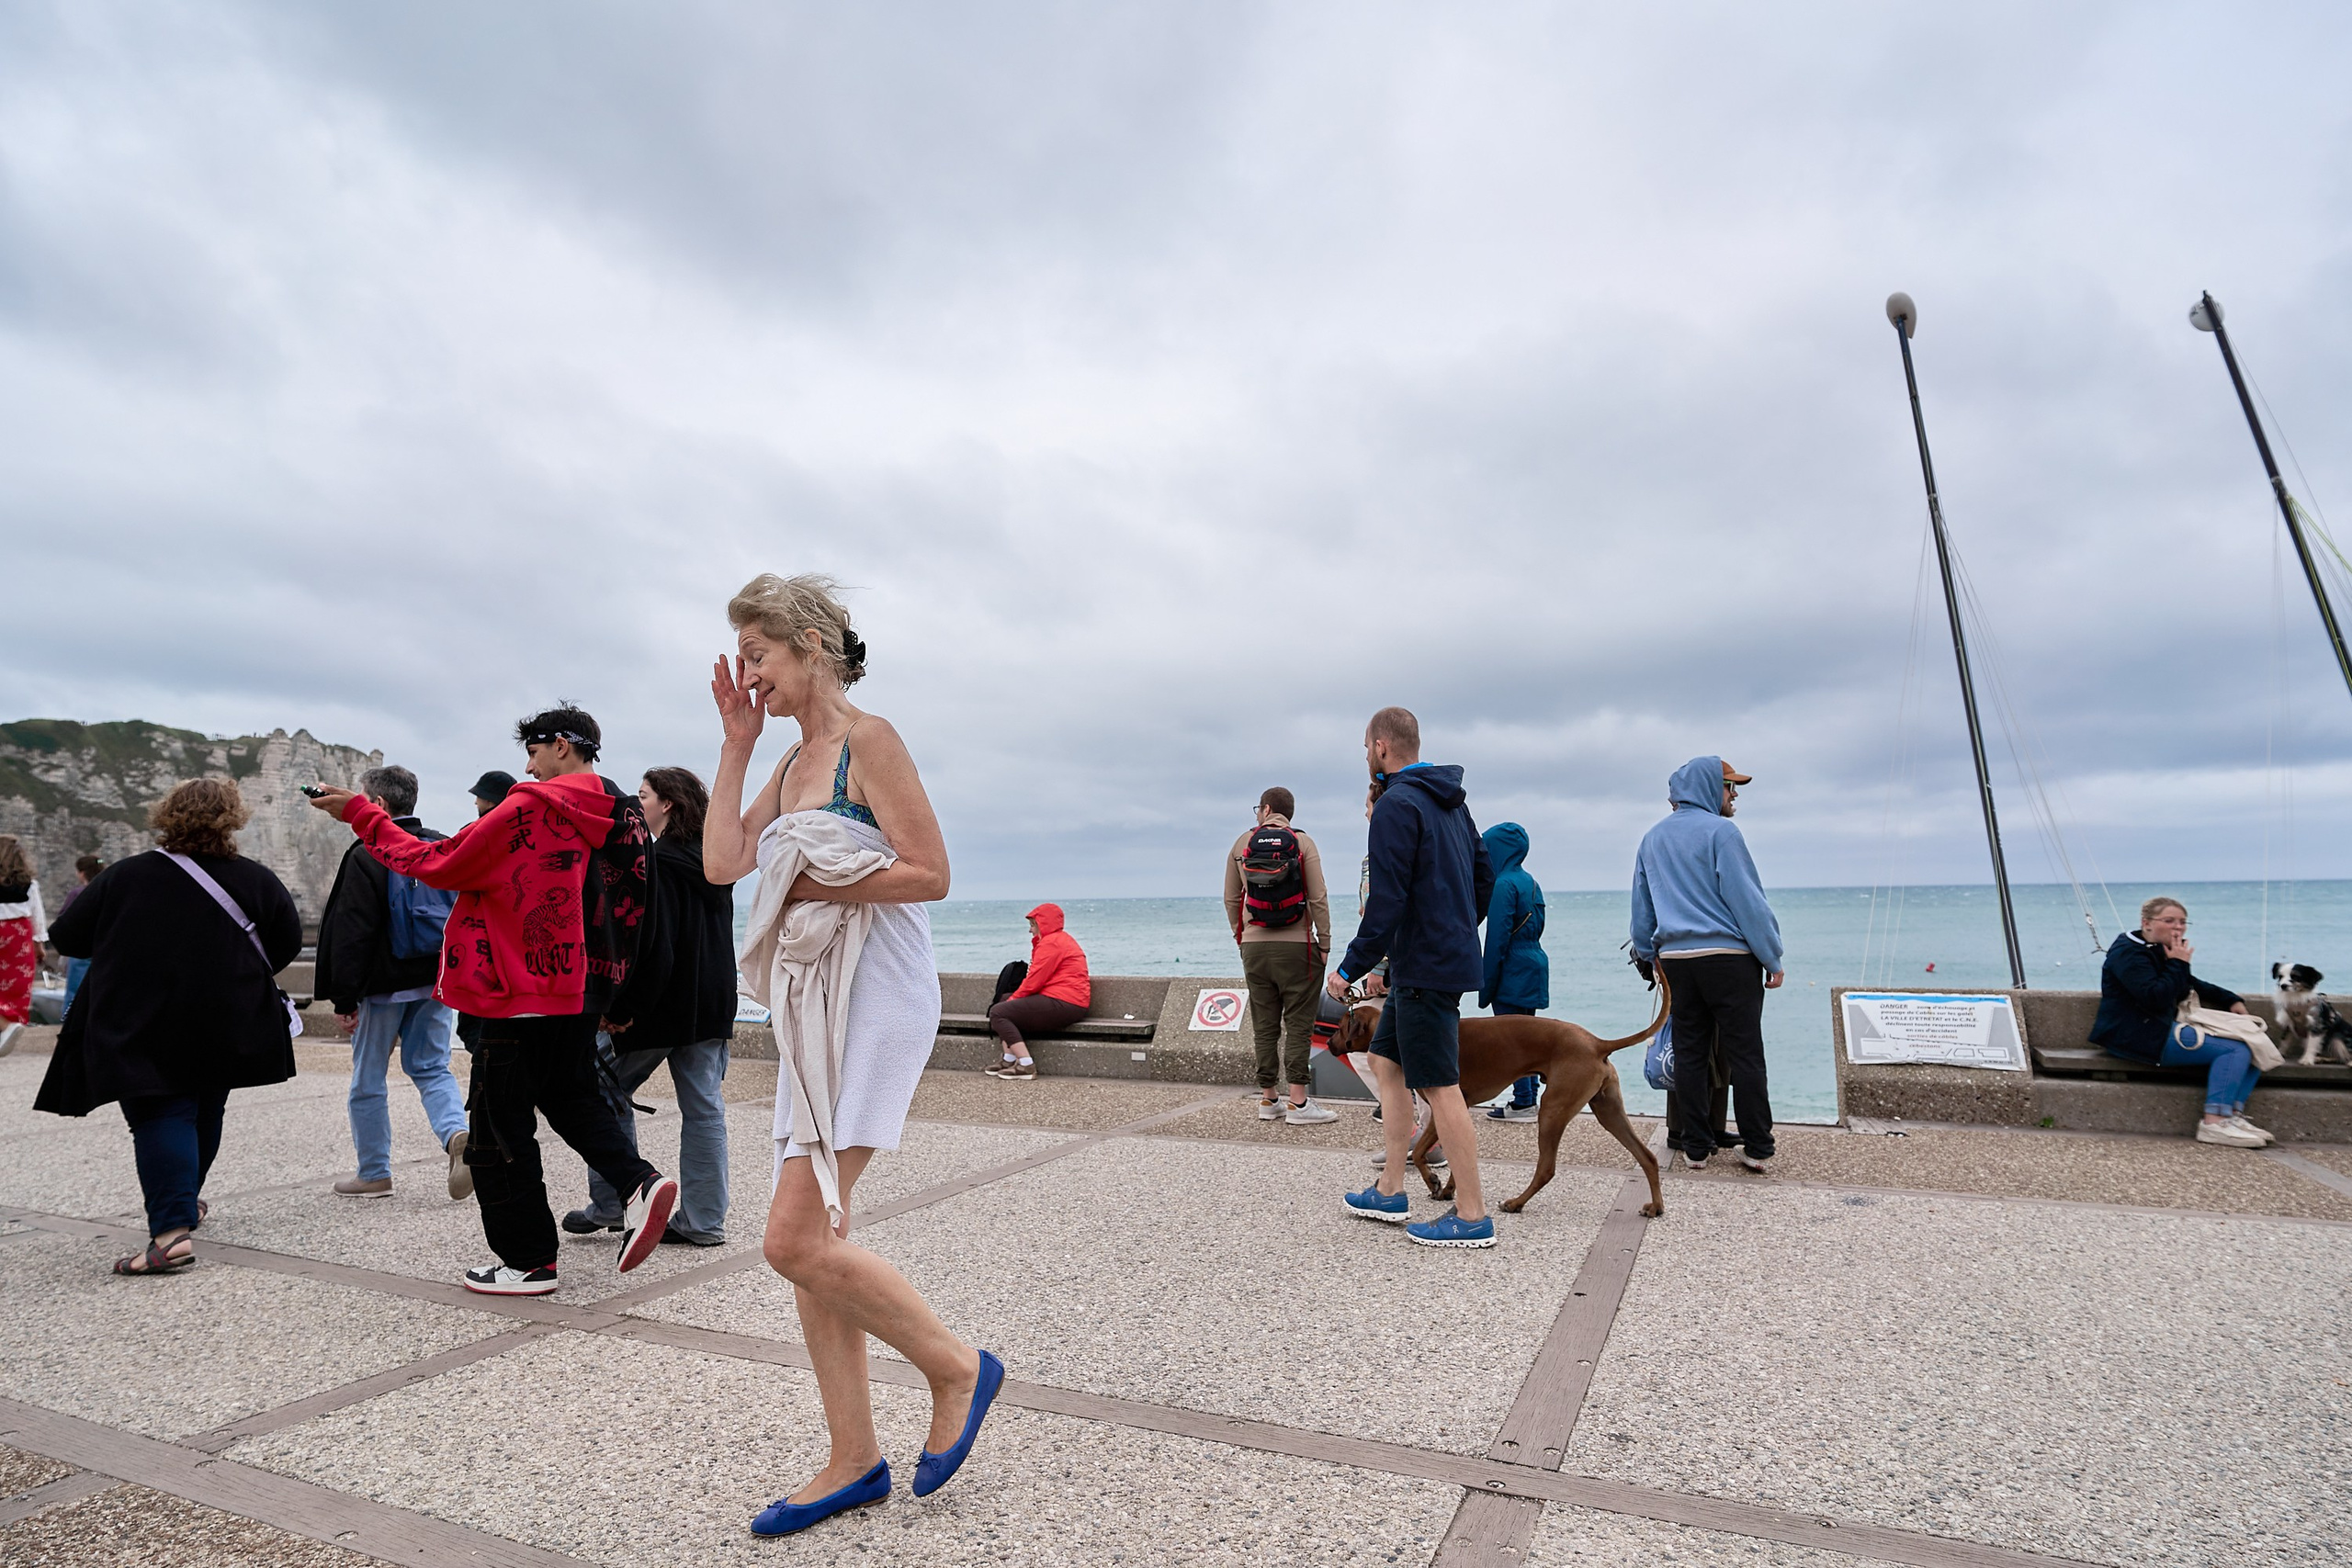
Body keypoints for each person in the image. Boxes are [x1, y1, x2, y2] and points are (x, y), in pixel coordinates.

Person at [706, 571, 997, 1535]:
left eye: (759, 656)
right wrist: (736, 748)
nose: (750, 674)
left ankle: (957, 1368)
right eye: (743, 657)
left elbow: (930, 873)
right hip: (810, 1006)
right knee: (813, 1245)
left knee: (791, 1239)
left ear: (810, 648)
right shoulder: (789, 764)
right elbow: (720, 863)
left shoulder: (869, 742)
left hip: (874, 995)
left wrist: (813, 892)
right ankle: (852, 1459)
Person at [306, 706, 680, 1297]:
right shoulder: (624, 813)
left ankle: (528, 1262)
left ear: (561, 746)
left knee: (496, 1132)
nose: (527, 766)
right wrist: (619, 992)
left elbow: (438, 862)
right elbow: (644, 908)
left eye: (533, 751)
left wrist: (360, 813)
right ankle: (638, 1182)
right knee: (569, 1095)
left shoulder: (531, 805)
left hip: (517, 991)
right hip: (581, 987)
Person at [34, 781, 301, 1273]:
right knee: (205, 1107)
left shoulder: (125, 876)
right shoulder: (257, 879)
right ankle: (182, 1202)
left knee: (160, 1112)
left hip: (143, 1015)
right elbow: (283, 944)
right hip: (227, 1015)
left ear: (167, 816)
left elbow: (68, 938)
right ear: (232, 819)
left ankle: (172, 1232)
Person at [1328, 706, 1497, 1249]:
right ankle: (1390, 1187)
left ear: (1380, 747)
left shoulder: (1397, 804)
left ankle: (1471, 1215)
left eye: (1365, 747)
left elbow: (1387, 900)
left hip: (1423, 964)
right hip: (1428, 961)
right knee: (1385, 1061)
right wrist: (1454, 927)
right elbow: (1485, 876)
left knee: (1442, 1087)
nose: (1366, 756)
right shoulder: (1452, 804)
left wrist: (1350, 968)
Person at [564, 766, 738, 1246]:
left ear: (669, 805)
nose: (635, 805)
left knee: (596, 1086)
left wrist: (621, 1007)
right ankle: (704, 1221)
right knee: (704, 1109)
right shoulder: (717, 863)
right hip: (712, 1003)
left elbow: (649, 945)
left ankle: (615, 1201)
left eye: (642, 797)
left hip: (660, 1006)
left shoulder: (654, 864)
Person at [314, 765, 470, 1201]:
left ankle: (374, 1173)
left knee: (368, 1078)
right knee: (432, 1067)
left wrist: (344, 998)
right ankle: (458, 1134)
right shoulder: (439, 843)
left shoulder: (369, 852)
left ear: (378, 805)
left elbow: (352, 933)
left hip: (382, 988)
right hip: (437, 979)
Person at [1630, 757, 1783, 1174]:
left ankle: (1696, 1147)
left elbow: (1642, 908)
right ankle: (1758, 1146)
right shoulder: (1722, 832)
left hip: (1677, 960)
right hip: (1729, 959)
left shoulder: (1652, 838)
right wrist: (1772, 956)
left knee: (1691, 1051)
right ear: (1707, 788)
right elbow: (1748, 901)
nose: (1734, 796)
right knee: (1746, 1052)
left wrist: (1647, 954)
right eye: (1730, 787)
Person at [2093, 897, 2269, 1147]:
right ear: (2147, 923)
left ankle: (2232, 1116)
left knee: (2253, 1044)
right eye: (2169, 921)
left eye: (2182, 922)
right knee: (2235, 1049)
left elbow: (2188, 982)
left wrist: (2230, 999)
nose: (2178, 927)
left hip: (2159, 1027)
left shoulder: (2158, 947)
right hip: (2137, 1035)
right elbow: (2154, 998)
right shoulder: (2128, 953)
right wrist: (2177, 962)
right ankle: (2214, 1122)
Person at [1225, 787, 1336, 1123]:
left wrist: (1241, 936)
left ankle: (1268, 1098)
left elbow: (1232, 898)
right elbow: (1318, 898)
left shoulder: (1242, 843)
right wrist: (1325, 942)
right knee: (1299, 1023)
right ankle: (1298, 1103)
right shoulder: (1303, 843)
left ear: (1267, 808)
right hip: (1297, 946)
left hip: (1255, 946)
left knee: (1264, 1023)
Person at [1479, 822, 1549, 1122]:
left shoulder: (1502, 884)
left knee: (1510, 1038)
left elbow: (1496, 939)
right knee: (1527, 1035)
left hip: (1512, 965)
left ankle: (1522, 1103)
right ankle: (1528, 1099)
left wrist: (1485, 984)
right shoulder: (1531, 882)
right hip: (1534, 961)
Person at [983, 904, 1089, 1082]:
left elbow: (1034, 980)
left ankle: (1026, 1064)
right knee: (1003, 1002)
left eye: (1033, 925)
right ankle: (1009, 1059)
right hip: (1064, 999)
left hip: (1065, 1002)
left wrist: (1014, 999)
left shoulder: (1052, 943)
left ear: (1043, 924)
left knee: (999, 1011)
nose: (1030, 930)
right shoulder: (1056, 940)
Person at [0, 834, 44, 1057]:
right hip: (18, 934)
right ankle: (9, 1021)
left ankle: (5, 1026)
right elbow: (38, 915)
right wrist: (39, 943)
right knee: (14, 984)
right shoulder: (29, 884)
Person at [57, 854, 104, 1018]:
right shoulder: (108, 889)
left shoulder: (76, 894)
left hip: (80, 950)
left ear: (82, 873)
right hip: (103, 947)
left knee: (74, 992)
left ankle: (69, 1020)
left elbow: (64, 922)